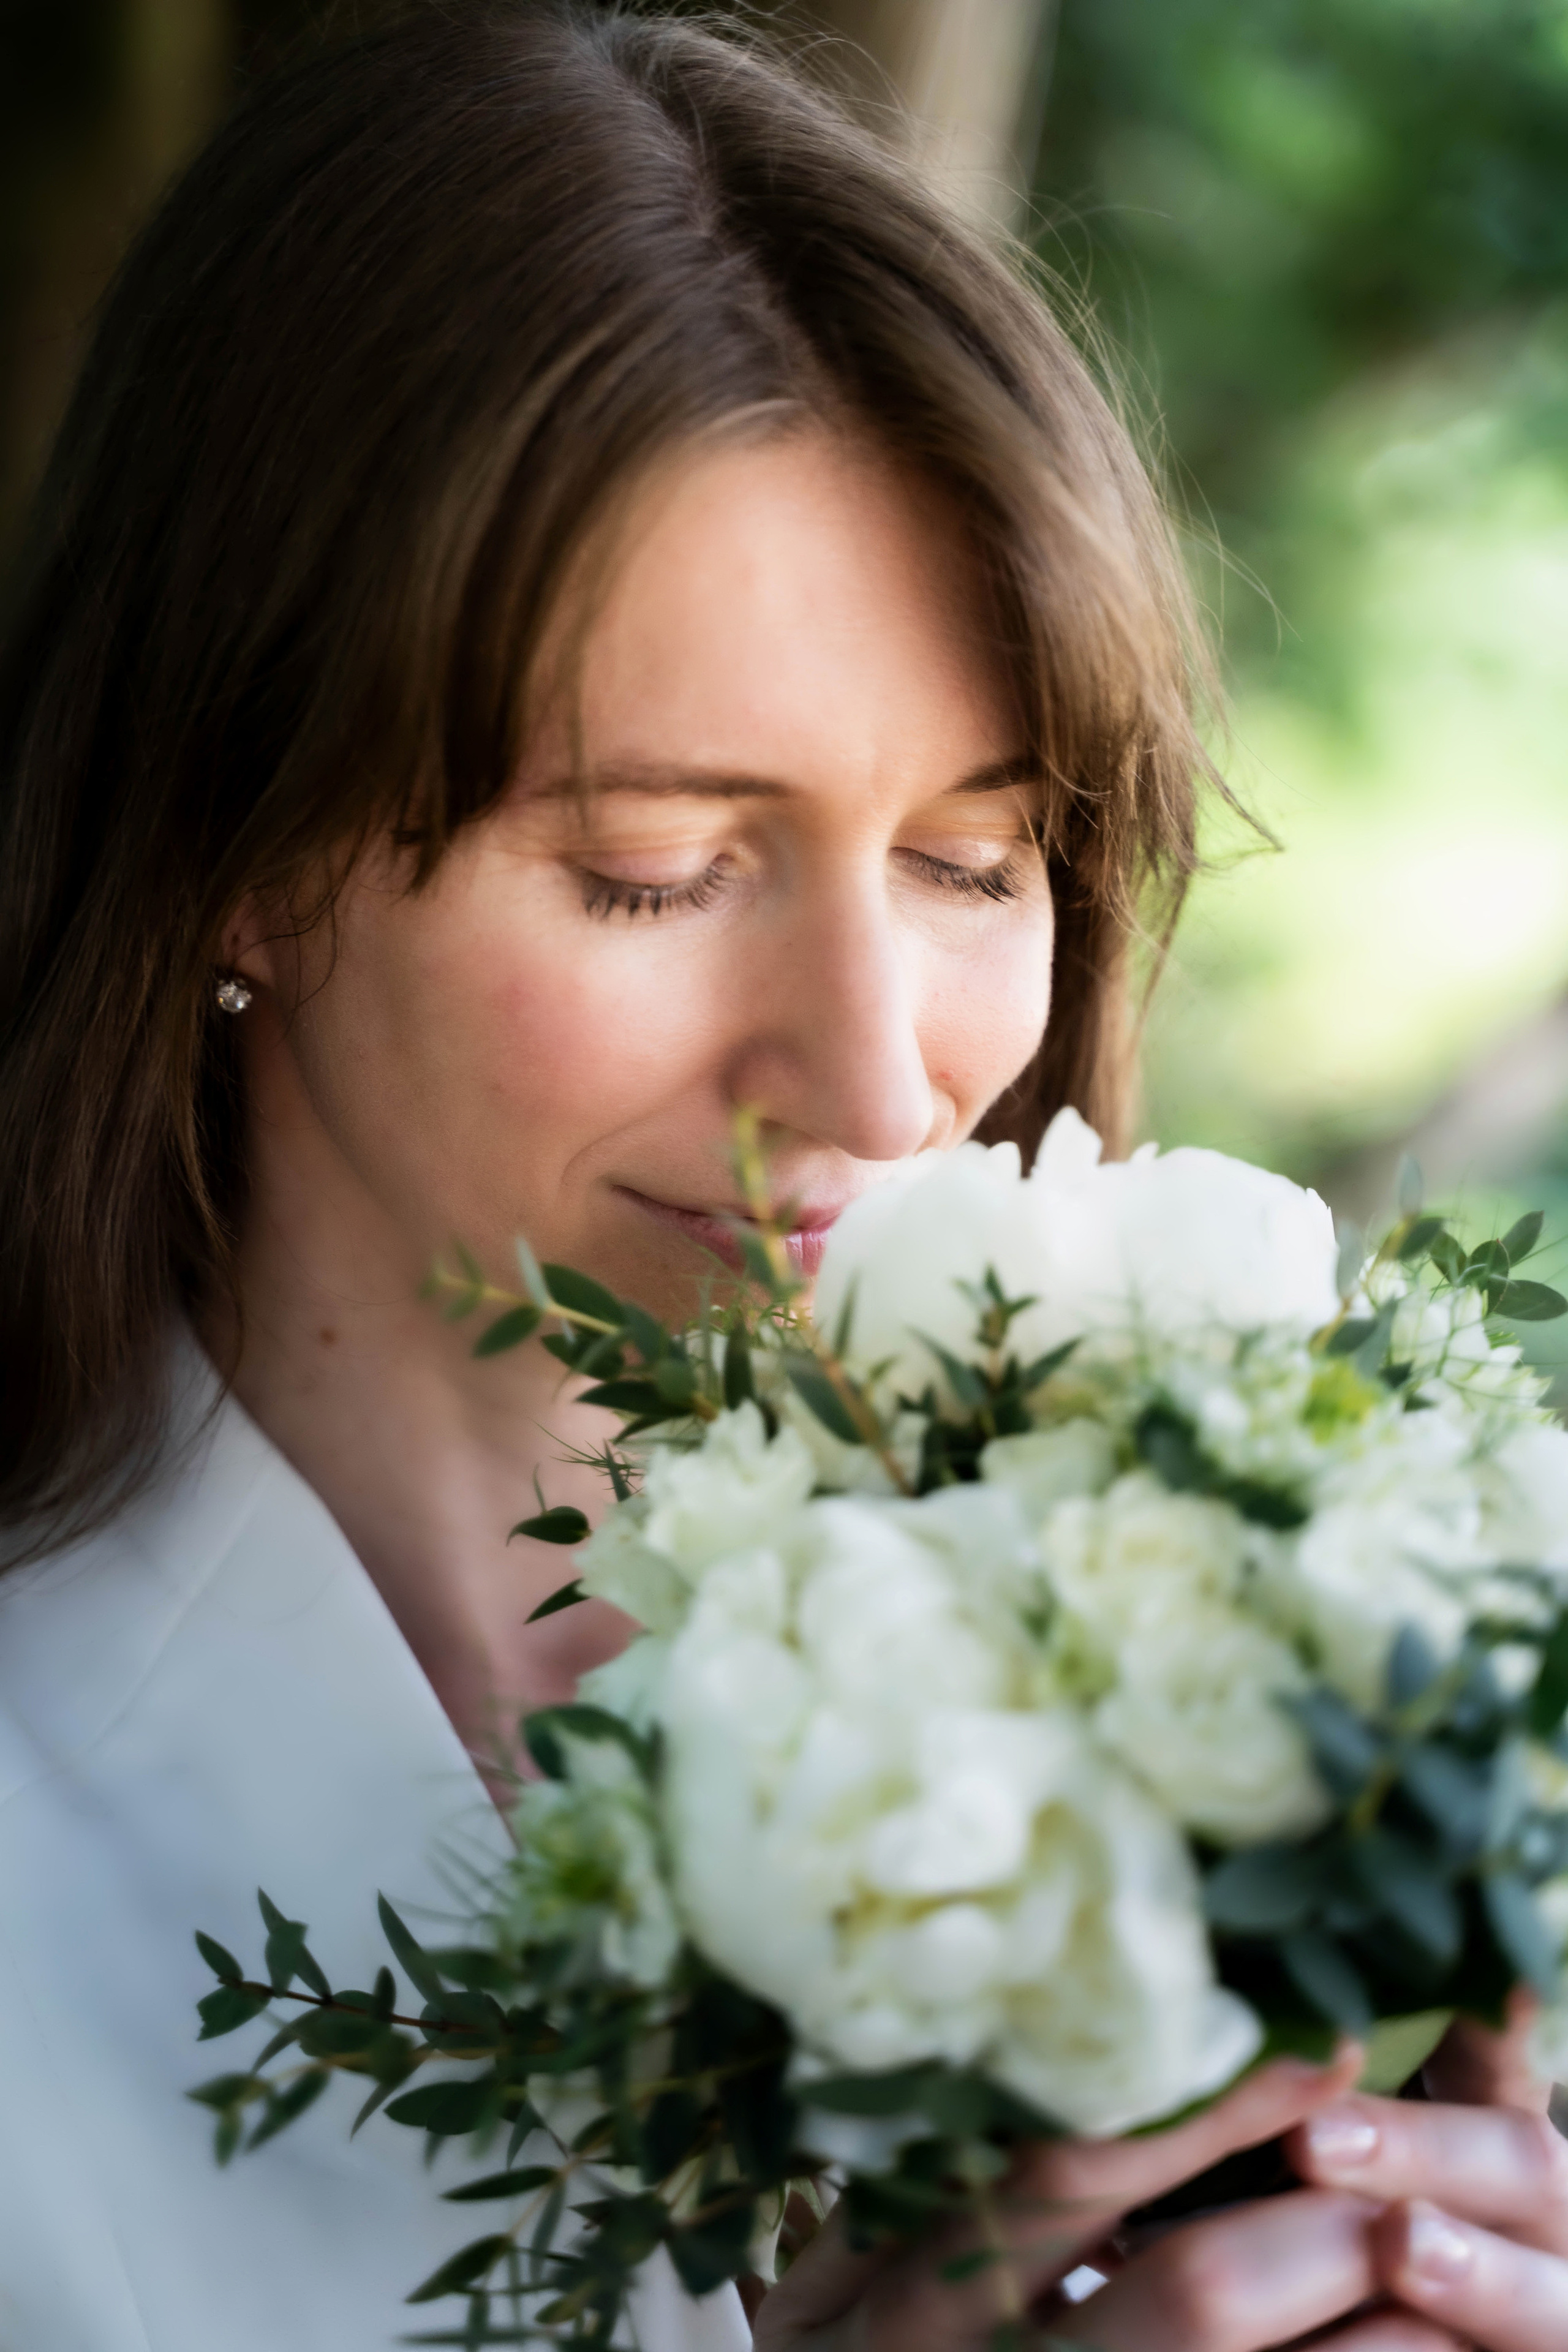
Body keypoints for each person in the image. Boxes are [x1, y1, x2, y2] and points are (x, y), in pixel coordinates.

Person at [0, 8, 1564, 2348]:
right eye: (652, 867)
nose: (878, 1069)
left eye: (978, 855)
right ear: (235, 846)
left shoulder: (1324, 1646)